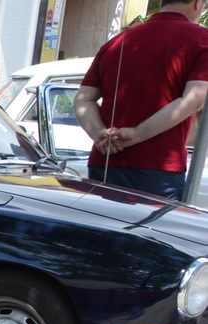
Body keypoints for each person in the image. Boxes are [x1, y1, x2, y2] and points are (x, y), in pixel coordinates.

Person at [73, 0, 208, 202]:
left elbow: (84, 98)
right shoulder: (203, 40)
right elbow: (194, 98)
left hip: (105, 160)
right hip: (158, 166)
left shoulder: (117, 41)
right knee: (158, 223)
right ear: (197, 4)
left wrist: (99, 134)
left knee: (103, 221)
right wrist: (138, 133)